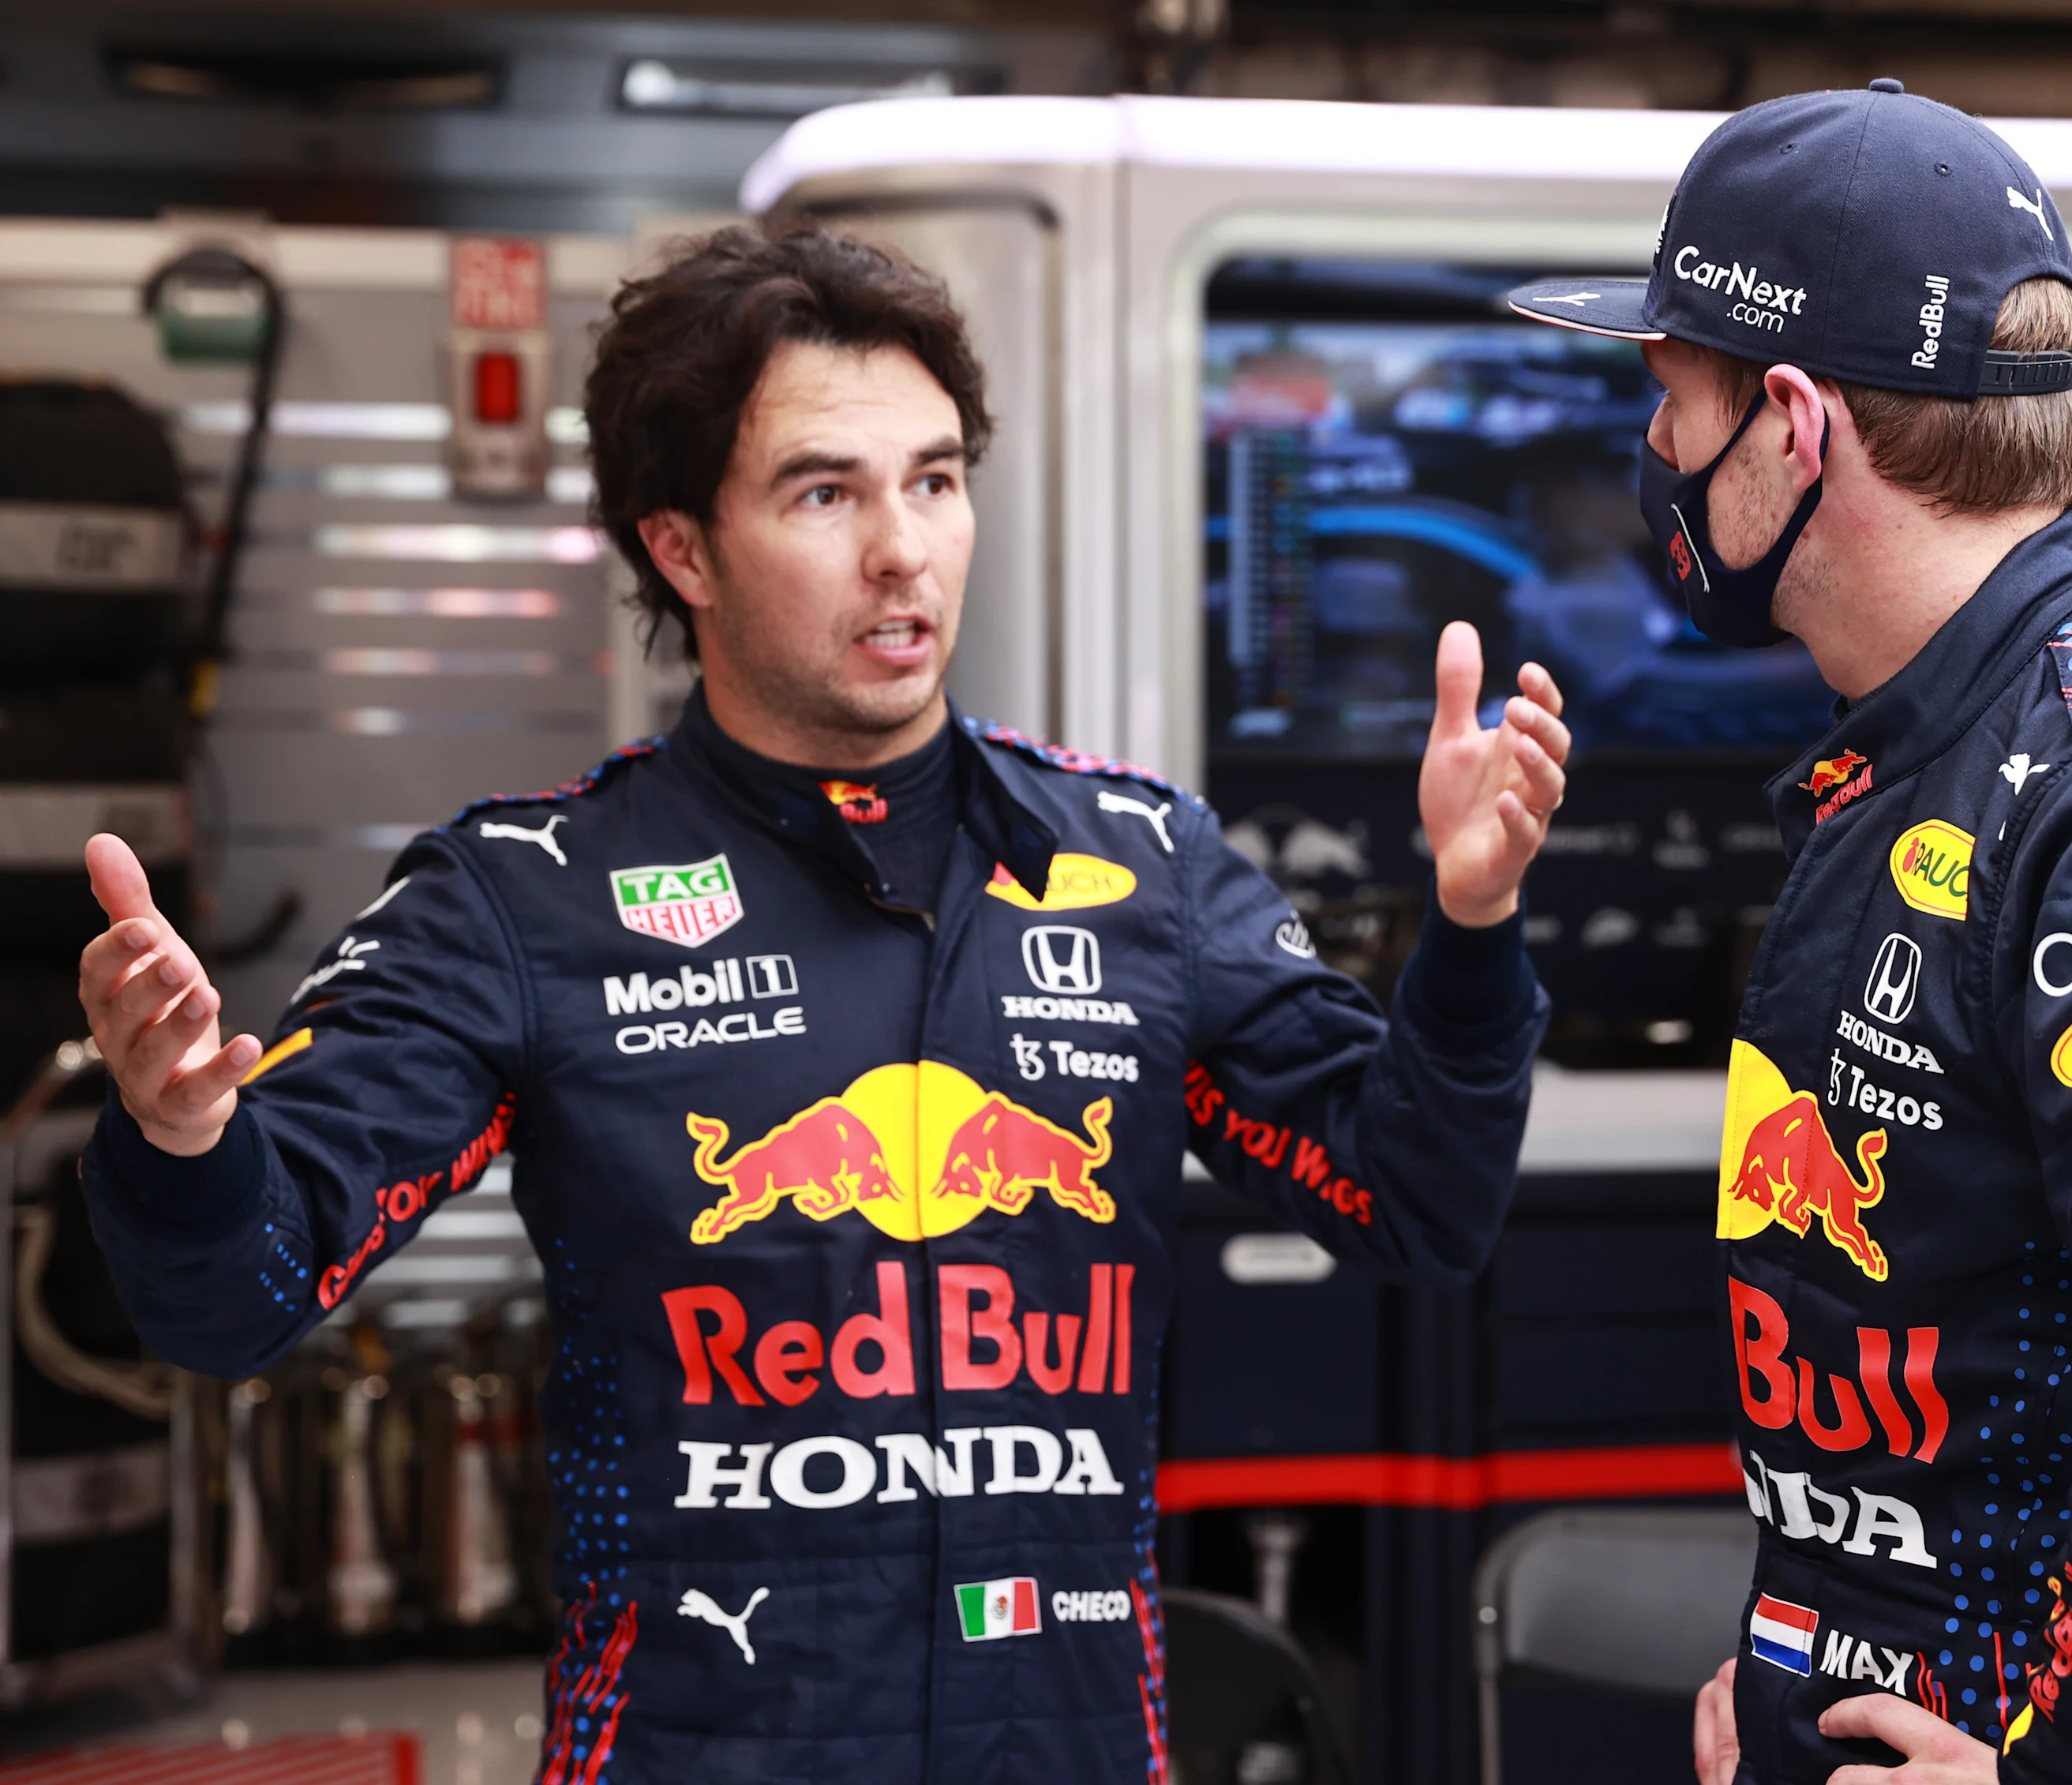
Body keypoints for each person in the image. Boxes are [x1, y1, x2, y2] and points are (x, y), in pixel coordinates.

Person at [77, 225, 1570, 1781]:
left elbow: (1420, 1204)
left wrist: (1471, 930)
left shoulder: (1139, 862)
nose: (902, 549)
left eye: (933, 479)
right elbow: (236, 1292)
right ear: (683, 549)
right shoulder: (523, 893)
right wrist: (185, 1133)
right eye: (825, 492)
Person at [1508, 83, 2072, 1784]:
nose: (1653, 457)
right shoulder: (1935, 738)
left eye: (1665, 398)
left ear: (1790, 423)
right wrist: (1793, 1647)